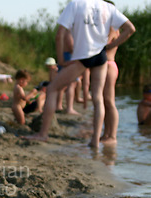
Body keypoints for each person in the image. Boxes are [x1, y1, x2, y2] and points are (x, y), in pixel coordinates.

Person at [24, 0, 135, 148]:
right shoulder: (108, 7)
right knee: (97, 98)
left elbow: (60, 35)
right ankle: (95, 140)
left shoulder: (75, 4)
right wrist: (111, 46)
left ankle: (43, 134)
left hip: (83, 56)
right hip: (101, 56)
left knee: (52, 89)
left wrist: (62, 60)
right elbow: (130, 29)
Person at [101, 27, 121, 145]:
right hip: (106, 65)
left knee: (109, 101)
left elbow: (104, 45)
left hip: (109, 65)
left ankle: (112, 135)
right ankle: (106, 133)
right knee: (104, 102)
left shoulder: (112, 29)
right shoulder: (109, 28)